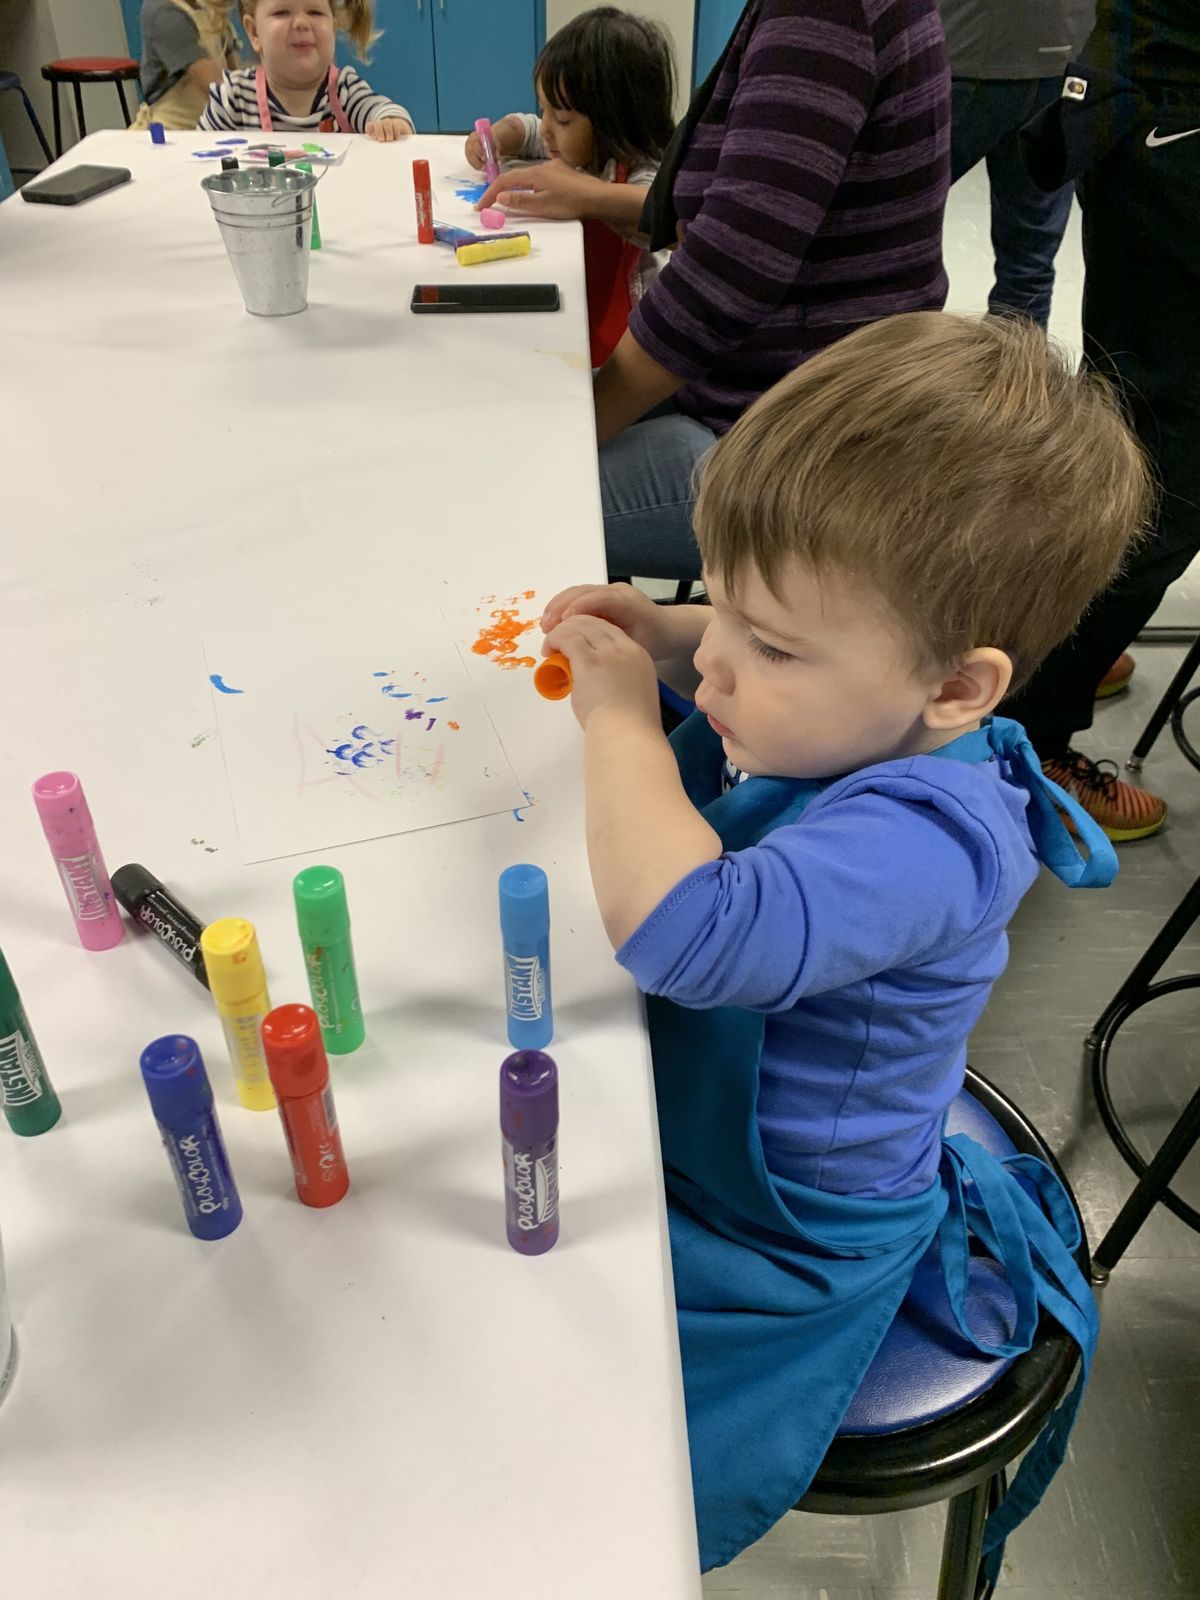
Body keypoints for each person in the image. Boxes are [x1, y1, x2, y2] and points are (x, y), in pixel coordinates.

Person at [538, 312, 1149, 1570]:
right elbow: (755, 646)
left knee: (572, 1435)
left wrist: (618, 722)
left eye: (768, 645)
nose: (715, 662)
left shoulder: (936, 836)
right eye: (724, 610)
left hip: (792, 1223)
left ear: (958, 691)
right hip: (710, 1119)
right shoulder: (859, 706)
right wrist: (667, 634)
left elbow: (685, 931)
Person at [479, 0, 951, 582]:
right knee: (507, 430)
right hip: (776, 398)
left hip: (799, 445)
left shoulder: (825, 14)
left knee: (490, 502)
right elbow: (745, 201)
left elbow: (727, 276)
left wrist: (571, 433)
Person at [1000, 0, 1200, 840]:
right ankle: (1037, 730)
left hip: (1148, 103)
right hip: (1173, 123)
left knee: (1125, 422)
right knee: (1169, 471)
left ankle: (1055, 650)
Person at [464, 7, 675, 368]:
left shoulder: (640, 169)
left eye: (562, 119)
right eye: (543, 109)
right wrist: (504, 134)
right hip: (577, 307)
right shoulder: (573, 144)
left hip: (630, 342)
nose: (546, 128)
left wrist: (586, 194)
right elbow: (530, 130)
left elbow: (655, 208)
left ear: (615, 122)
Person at [938, 0, 1094, 326]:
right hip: (1062, 56)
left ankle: (880, 371)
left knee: (888, 241)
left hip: (963, 51)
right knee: (1029, 265)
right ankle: (1015, 375)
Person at [199, 0, 413, 137]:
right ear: (254, 32)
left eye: (315, 12)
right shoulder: (232, 98)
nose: (302, 22)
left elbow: (381, 109)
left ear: (333, 24)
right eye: (282, 12)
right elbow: (195, 159)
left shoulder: (344, 90)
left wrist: (391, 123)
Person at [131, 0, 240, 132]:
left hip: (210, 130)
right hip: (173, 132)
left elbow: (233, 70)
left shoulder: (211, 9)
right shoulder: (163, 10)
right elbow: (211, 80)